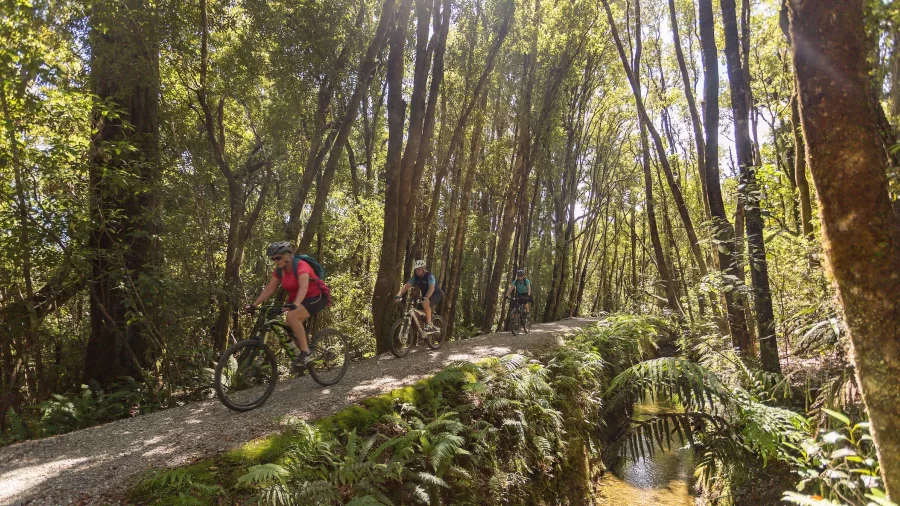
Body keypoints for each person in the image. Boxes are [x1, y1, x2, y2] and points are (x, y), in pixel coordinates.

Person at [245, 241, 328, 366]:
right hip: (297, 299)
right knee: (289, 324)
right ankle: (305, 353)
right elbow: (270, 289)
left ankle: (306, 352)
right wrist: (254, 304)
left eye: (278, 257)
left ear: (288, 256)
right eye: (273, 259)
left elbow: (303, 287)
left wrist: (295, 305)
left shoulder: (301, 266)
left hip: (315, 296)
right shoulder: (279, 270)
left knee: (292, 316)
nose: (276, 261)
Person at [395, 260, 442, 331]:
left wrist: (426, 297)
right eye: (416, 269)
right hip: (425, 296)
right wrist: (399, 295)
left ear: (423, 268)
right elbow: (406, 286)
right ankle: (424, 332)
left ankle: (429, 324)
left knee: (425, 303)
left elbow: (432, 288)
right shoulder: (415, 277)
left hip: (435, 294)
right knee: (417, 313)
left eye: (419, 269)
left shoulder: (429, 276)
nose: (417, 271)